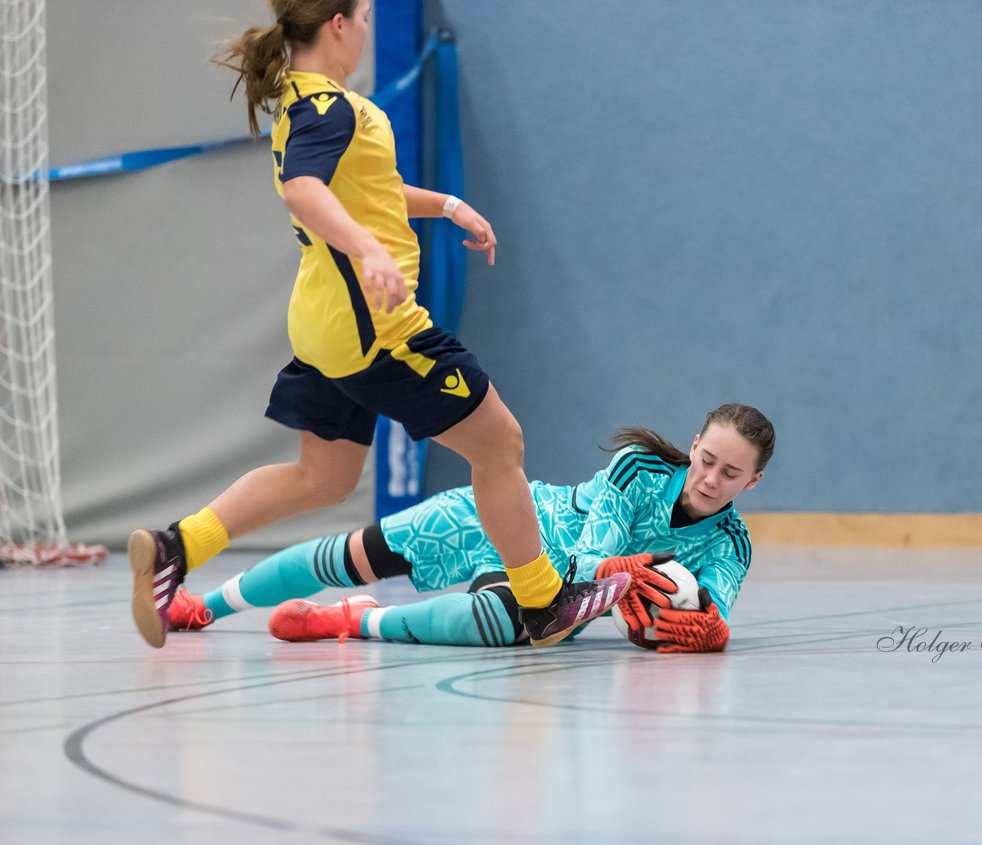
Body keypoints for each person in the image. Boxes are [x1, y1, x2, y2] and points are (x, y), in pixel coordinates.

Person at [128, 0, 639, 650]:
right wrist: (369, 251)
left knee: (324, 478)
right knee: (500, 443)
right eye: (364, 17)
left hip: (323, 329)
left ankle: (177, 547)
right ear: (338, 24)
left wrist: (449, 207)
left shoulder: (309, 101)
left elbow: (373, 189)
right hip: (377, 331)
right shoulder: (328, 106)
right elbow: (304, 191)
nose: (368, 31)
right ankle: (542, 602)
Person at [167, 404, 775, 653]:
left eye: (730, 474)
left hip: (549, 587)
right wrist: (613, 572)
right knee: (350, 553)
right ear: (692, 447)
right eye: (706, 460)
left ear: (752, 483)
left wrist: (704, 632)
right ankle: (204, 608)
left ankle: (351, 621)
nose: (710, 479)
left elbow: (712, 611)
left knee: (489, 624)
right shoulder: (639, 466)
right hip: (515, 514)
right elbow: (597, 553)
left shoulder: (732, 544)